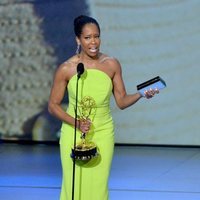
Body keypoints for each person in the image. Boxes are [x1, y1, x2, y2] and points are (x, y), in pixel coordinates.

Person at [48, 15, 158, 200]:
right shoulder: (67, 68)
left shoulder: (111, 64)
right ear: (78, 39)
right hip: (74, 133)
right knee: (74, 185)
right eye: (88, 37)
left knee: (98, 186)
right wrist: (76, 123)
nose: (94, 42)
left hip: (102, 131)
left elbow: (121, 101)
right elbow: (53, 105)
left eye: (97, 36)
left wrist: (141, 94)